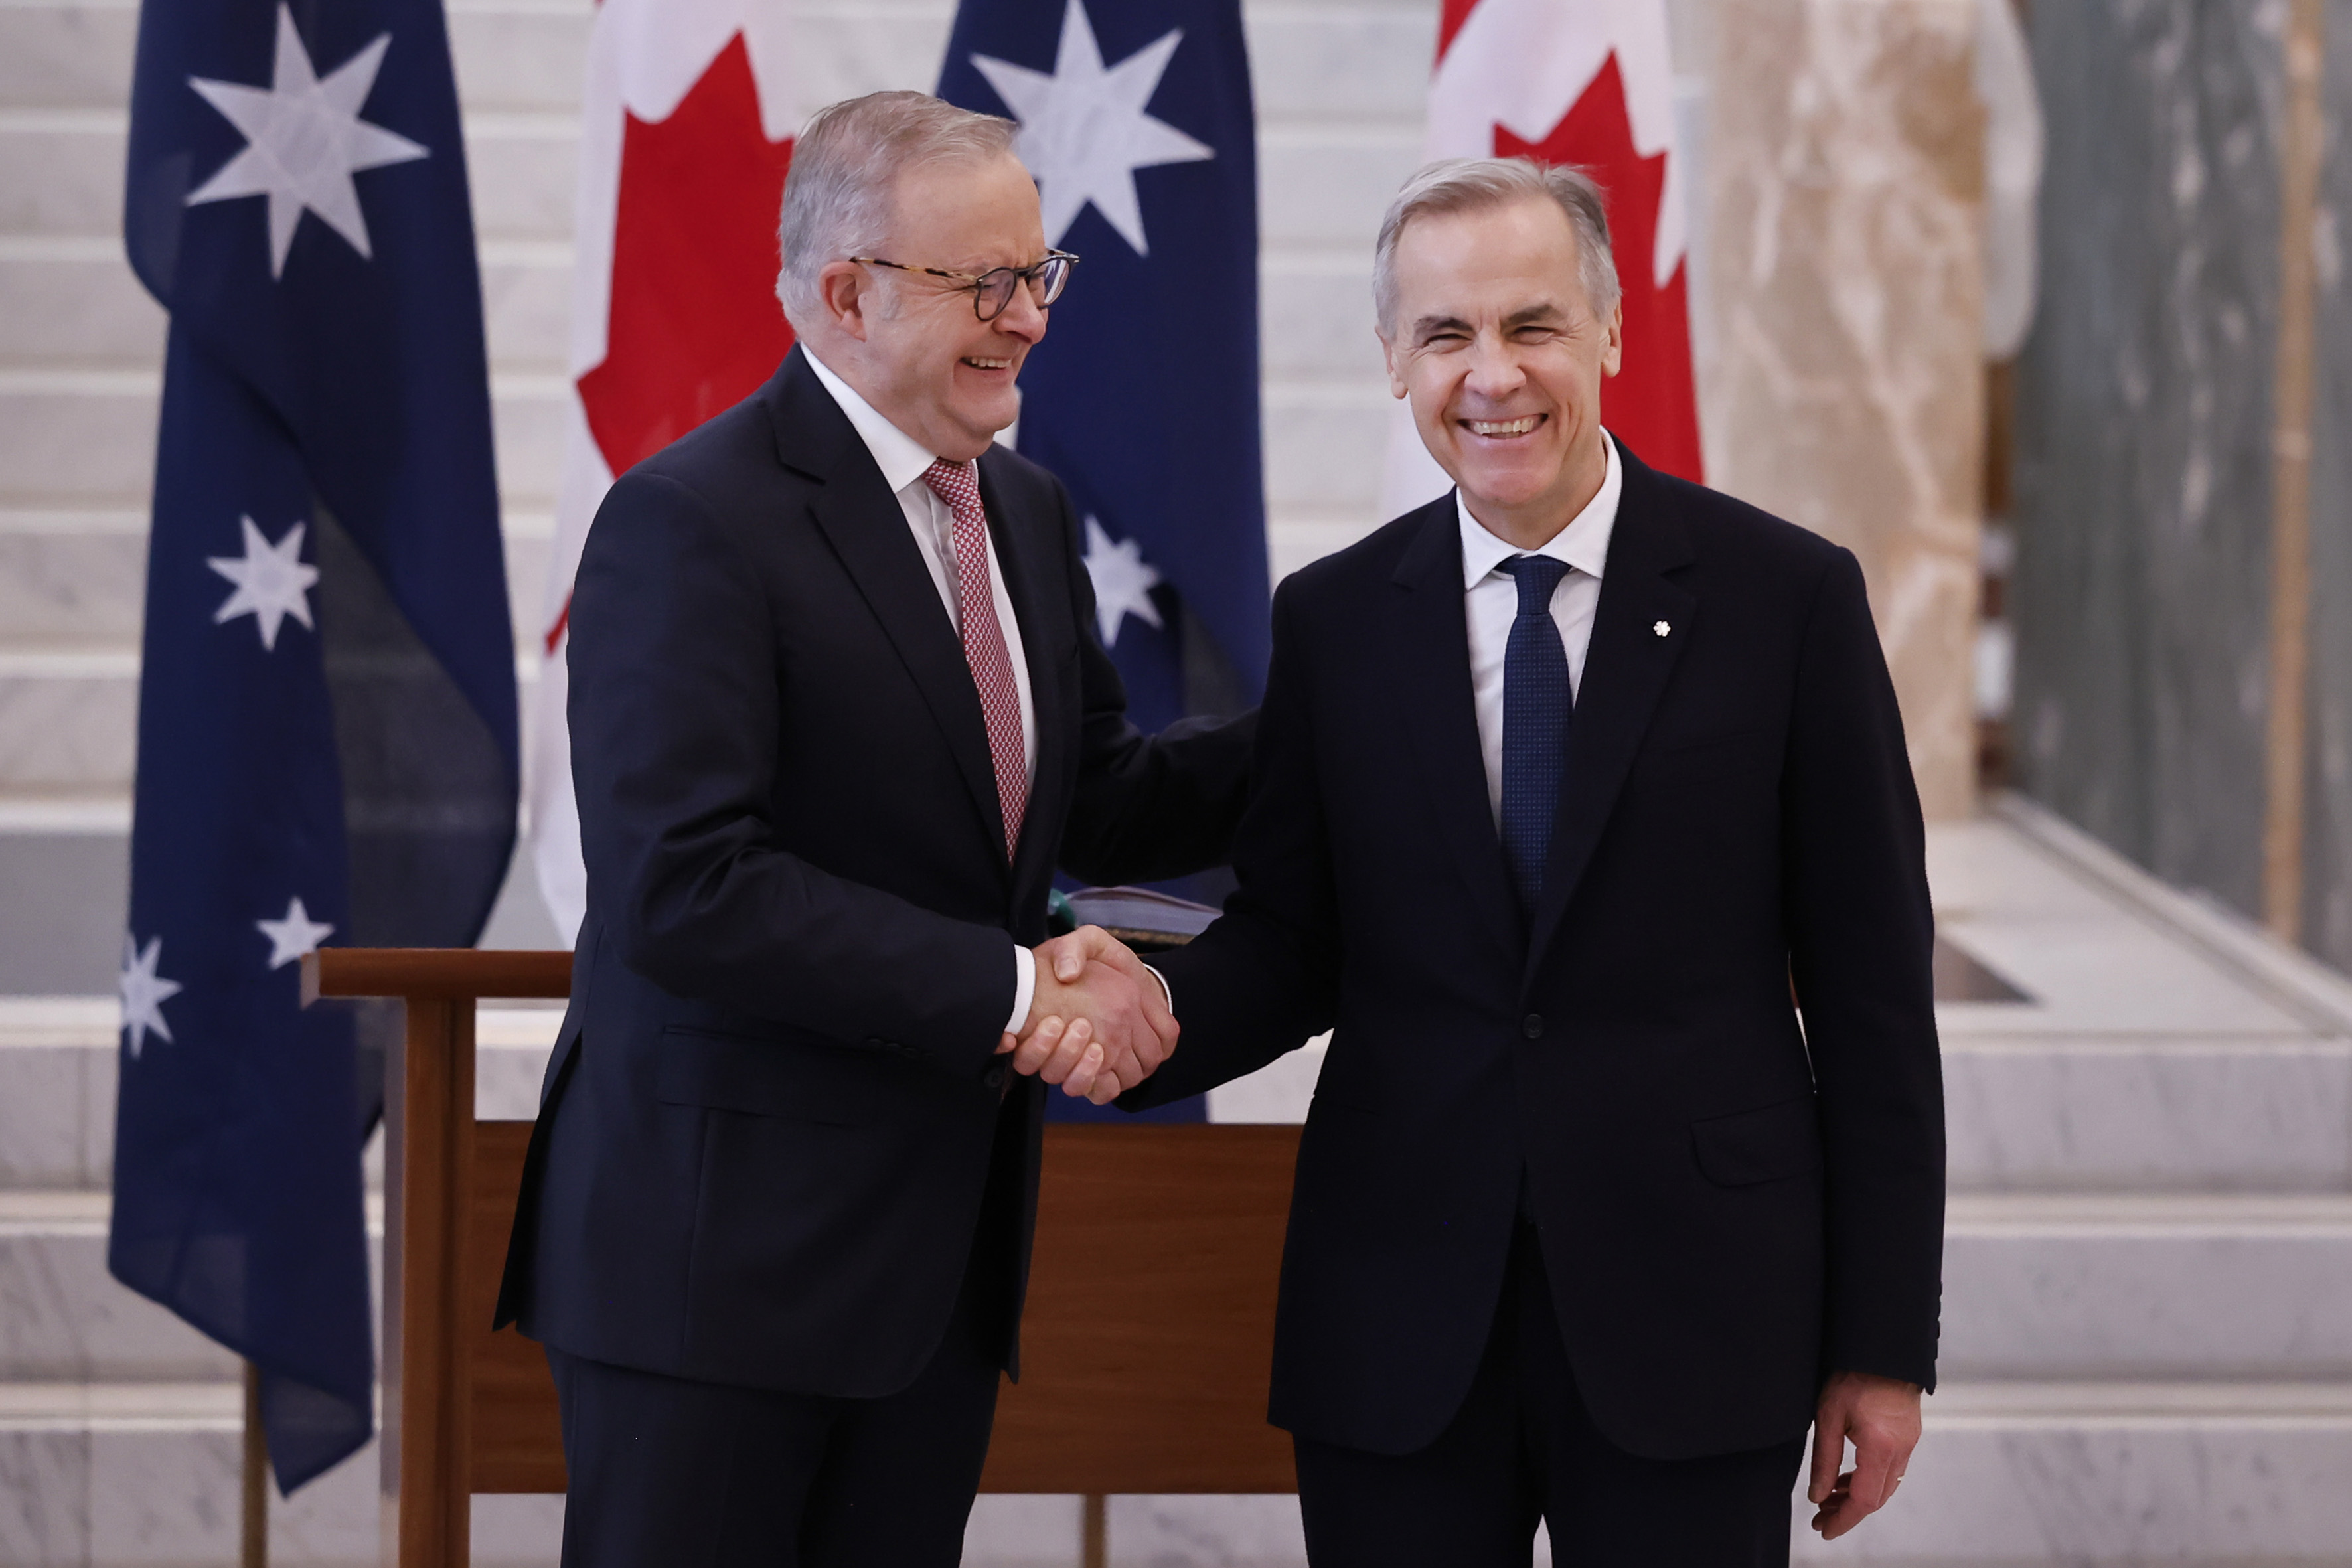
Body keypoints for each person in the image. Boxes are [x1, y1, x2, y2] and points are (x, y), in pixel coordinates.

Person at [1026, 157, 1946, 1565]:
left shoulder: (1785, 601)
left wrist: (1882, 1344)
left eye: (1531, 325)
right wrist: (1131, 1020)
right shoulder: (1336, 618)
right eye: (1445, 334)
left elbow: (1875, 1000)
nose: (1491, 376)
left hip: (1691, 1314)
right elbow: (1295, 940)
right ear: (1393, 361)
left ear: (1610, 333)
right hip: (1396, 1314)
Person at [494, 90, 1253, 1567]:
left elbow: (1092, 795)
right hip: (713, 1281)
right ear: (842, 291)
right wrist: (1021, 988)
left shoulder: (1021, 513)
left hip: (927, 1280)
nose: (1028, 316)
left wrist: (1351, 713)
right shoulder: (689, 521)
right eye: (985, 282)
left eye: (1038, 275)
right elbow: (682, 886)